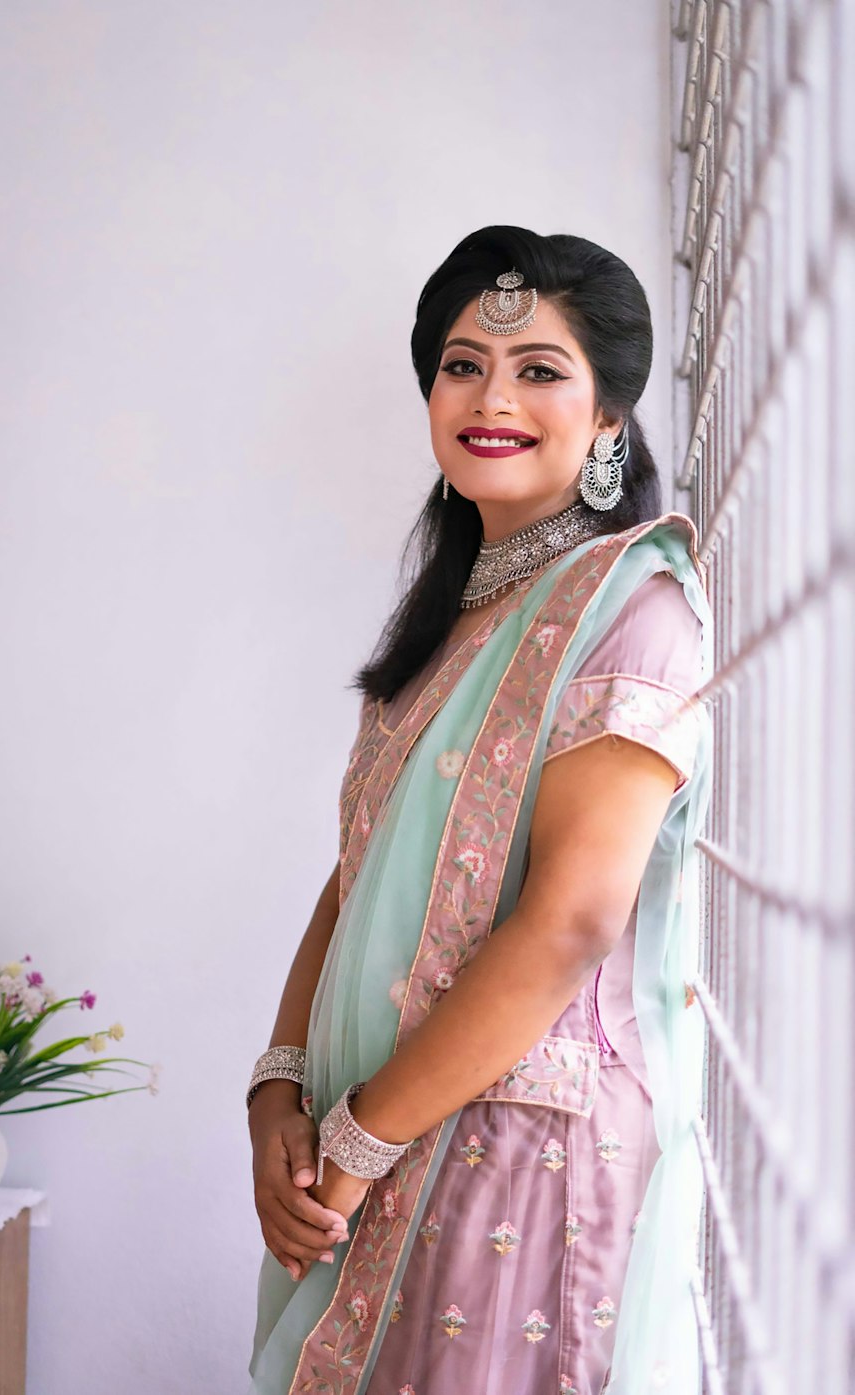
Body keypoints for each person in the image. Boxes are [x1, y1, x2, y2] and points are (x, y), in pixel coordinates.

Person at [245, 225, 714, 1395]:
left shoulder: (631, 610)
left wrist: (352, 1141)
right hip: (368, 1130)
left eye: (539, 371)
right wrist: (275, 1091)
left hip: (518, 1153)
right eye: (462, 365)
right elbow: (353, 876)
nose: (491, 396)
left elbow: (571, 923)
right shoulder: (448, 625)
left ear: (608, 418)